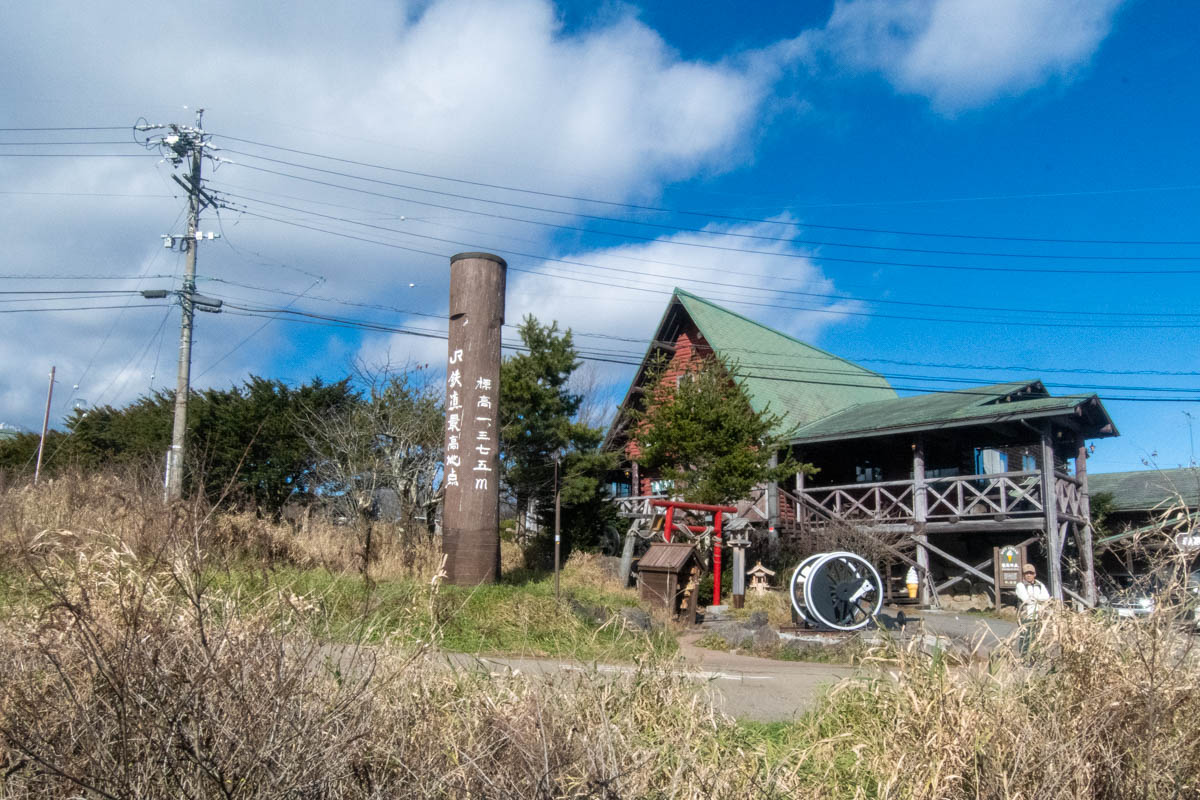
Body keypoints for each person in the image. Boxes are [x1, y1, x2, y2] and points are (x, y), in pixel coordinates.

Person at [1014, 563, 1050, 659]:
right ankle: (1024, 657)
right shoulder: (1020, 585)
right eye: (1026, 573)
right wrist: (1038, 599)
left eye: (1031, 573)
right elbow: (1026, 599)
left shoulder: (1040, 585)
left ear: (1035, 574)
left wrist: (1034, 598)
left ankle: (1034, 656)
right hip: (1025, 615)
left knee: (1036, 636)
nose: (1029, 575)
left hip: (1038, 615)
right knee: (1025, 636)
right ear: (1023, 575)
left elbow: (1046, 597)